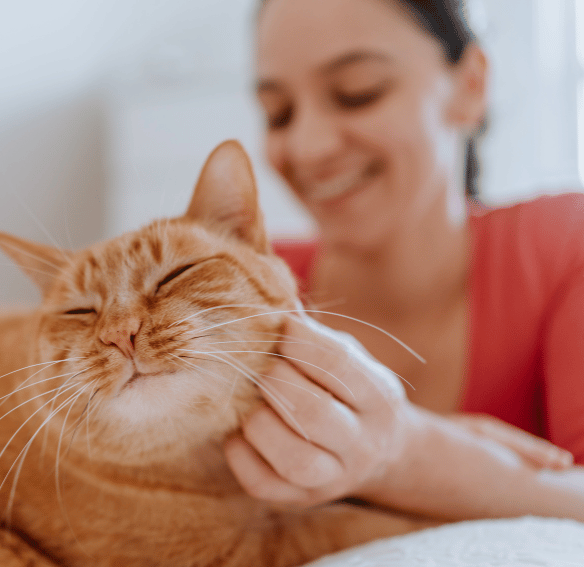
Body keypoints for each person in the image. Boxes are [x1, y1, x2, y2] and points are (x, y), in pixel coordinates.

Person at [224, 0, 584, 522]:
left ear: (470, 86)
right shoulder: (243, 283)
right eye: (278, 113)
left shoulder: (563, 247)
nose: (308, 145)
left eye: (357, 93)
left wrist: (409, 456)